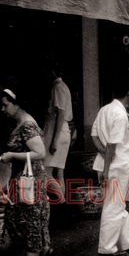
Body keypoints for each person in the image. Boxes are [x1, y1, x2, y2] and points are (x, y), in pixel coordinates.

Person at [0, 86, 52, 256]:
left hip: (30, 182)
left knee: (29, 223)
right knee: (13, 219)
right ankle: (43, 247)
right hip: (21, 181)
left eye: (6, 105)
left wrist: (12, 156)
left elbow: (40, 153)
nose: (3, 109)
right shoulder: (20, 123)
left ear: (17, 104)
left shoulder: (27, 125)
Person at [91, 80, 129, 256]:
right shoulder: (120, 115)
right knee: (114, 206)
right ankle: (107, 248)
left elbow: (94, 136)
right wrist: (108, 168)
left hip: (107, 164)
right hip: (115, 167)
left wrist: (103, 156)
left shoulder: (104, 110)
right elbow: (112, 145)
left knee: (117, 204)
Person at [43, 66, 73, 203]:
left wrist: (54, 140)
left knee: (46, 172)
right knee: (59, 172)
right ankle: (63, 203)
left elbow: (60, 114)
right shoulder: (62, 86)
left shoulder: (58, 87)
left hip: (56, 131)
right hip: (61, 130)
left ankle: (61, 202)